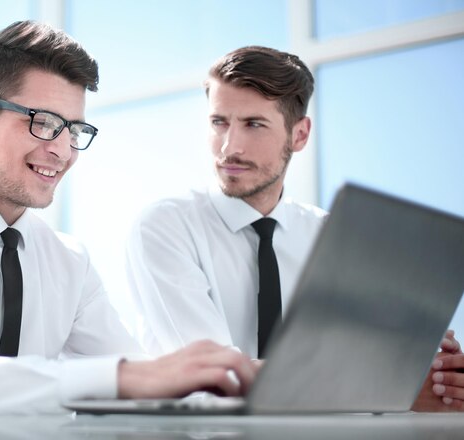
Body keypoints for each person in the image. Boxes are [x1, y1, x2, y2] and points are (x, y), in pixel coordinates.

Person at [0, 21, 257, 414]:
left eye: (74, 129)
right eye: (43, 123)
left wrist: (237, 386)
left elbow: (143, 385)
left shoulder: (68, 262)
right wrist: (124, 377)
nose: (62, 151)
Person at [125, 45, 464, 411]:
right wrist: (389, 386)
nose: (229, 147)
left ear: (299, 135)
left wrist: (428, 373)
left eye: (253, 124)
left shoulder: (334, 237)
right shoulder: (165, 227)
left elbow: (364, 361)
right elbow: (213, 378)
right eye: (219, 122)